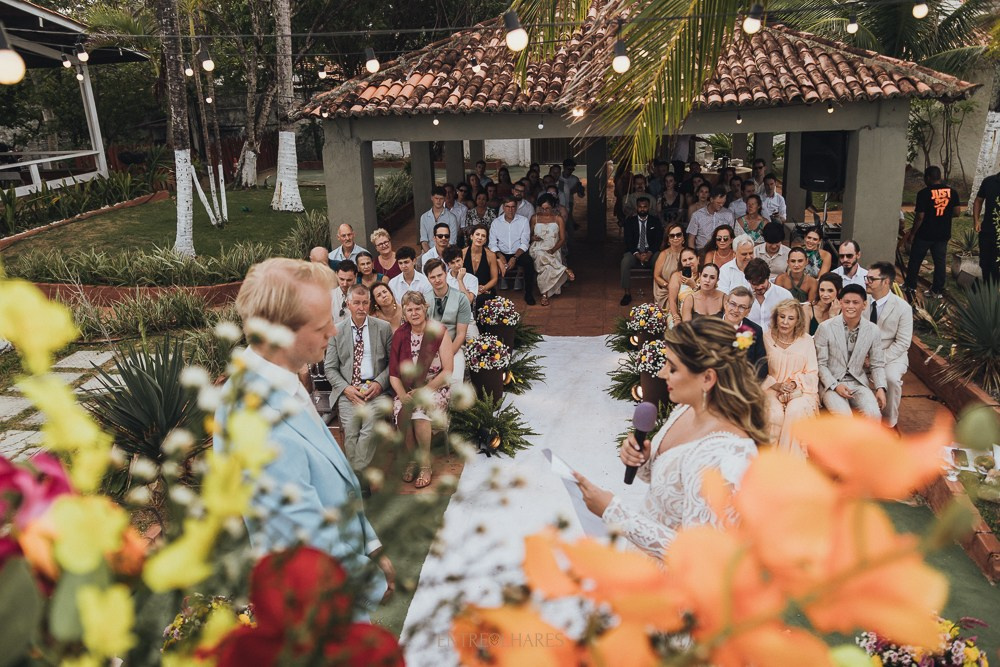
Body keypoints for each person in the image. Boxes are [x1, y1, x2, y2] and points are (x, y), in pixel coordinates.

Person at [220, 258, 393, 613]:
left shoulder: (279, 378)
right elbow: (304, 538)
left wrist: (370, 543)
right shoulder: (256, 418)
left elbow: (329, 478)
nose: (333, 330)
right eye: (321, 325)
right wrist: (371, 581)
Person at [572, 317, 768, 559]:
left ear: (707, 378)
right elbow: (671, 480)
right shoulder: (687, 408)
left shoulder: (726, 457)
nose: (663, 373)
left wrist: (614, 513)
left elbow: (699, 555)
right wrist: (644, 460)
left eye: (673, 368)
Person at [324, 284, 393, 475]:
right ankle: (360, 477)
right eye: (356, 303)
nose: (361, 307)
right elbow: (330, 368)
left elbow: (392, 364)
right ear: (348, 304)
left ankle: (355, 476)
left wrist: (379, 384)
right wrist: (346, 389)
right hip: (349, 391)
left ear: (370, 304)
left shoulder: (383, 328)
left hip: (375, 390)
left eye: (364, 303)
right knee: (351, 430)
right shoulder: (336, 331)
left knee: (369, 427)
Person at [389, 291, 454, 489]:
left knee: (419, 413)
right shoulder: (400, 334)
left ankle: (425, 465)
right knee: (404, 409)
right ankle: (411, 460)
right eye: (409, 309)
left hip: (435, 388)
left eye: (418, 308)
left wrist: (425, 390)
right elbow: (393, 375)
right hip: (408, 390)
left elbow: (447, 372)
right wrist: (402, 395)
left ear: (425, 307)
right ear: (404, 313)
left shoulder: (439, 332)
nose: (414, 313)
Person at [814, 284, 887, 419]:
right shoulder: (825, 327)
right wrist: (836, 386)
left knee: (874, 415)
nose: (850, 306)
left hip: (858, 382)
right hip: (831, 384)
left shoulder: (873, 330)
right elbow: (820, 363)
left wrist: (880, 388)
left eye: (855, 302)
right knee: (844, 417)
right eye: (847, 302)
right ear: (840, 302)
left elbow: (877, 363)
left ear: (864, 305)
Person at [762, 299, 820, 456]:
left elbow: (812, 372)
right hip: (770, 388)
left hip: (800, 390)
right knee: (774, 414)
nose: (785, 322)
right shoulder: (765, 338)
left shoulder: (806, 340)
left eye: (791, 318)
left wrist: (795, 383)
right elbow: (759, 371)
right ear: (776, 317)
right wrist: (776, 384)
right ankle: (769, 461)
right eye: (782, 317)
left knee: (795, 412)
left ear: (798, 321)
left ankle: (791, 465)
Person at [864, 261, 913, 430]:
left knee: (891, 379)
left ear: (885, 282)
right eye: (867, 278)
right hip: (863, 354)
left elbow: (903, 343)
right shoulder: (862, 302)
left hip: (891, 355)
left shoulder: (903, 308)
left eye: (871, 279)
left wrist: (878, 360)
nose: (867, 282)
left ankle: (889, 422)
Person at [905, 165, 960, 296]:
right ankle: (937, 290)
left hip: (925, 234)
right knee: (940, 262)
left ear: (928, 178)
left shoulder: (924, 193)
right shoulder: (952, 192)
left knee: (915, 260)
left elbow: (920, 217)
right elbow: (957, 213)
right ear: (939, 177)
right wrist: (944, 215)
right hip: (943, 234)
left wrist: (912, 234)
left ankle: (910, 286)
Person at [424, 258, 474, 381]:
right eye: (432, 277)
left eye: (440, 275)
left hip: (454, 347)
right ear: (428, 279)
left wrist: (445, 356)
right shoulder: (424, 300)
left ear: (446, 273)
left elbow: (461, 335)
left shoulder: (461, 299)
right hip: (429, 349)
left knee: (455, 382)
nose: (437, 280)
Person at [490, 197, 538, 305]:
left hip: (518, 253)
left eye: (513, 207)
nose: (510, 210)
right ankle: (491, 294)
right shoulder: (496, 223)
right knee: (488, 262)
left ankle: (528, 294)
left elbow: (525, 243)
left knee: (529, 263)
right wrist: (500, 255)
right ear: (503, 207)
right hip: (501, 252)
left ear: (516, 208)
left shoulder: (523, 221)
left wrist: (515, 257)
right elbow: (492, 243)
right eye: (507, 207)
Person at [529, 193, 572, 306]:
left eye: (547, 208)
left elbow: (562, 239)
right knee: (539, 254)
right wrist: (532, 237)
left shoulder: (558, 219)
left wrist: (553, 250)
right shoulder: (535, 218)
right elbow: (528, 236)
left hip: (553, 249)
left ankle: (545, 295)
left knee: (546, 266)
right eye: (542, 209)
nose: (544, 211)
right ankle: (563, 269)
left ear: (553, 207)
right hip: (537, 248)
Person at [620, 195, 663, 306]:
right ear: (636, 207)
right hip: (634, 251)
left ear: (649, 207)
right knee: (625, 261)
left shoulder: (655, 221)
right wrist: (637, 254)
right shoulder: (630, 222)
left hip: (650, 251)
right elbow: (628, 241)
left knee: (659, 259)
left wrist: (649, 253)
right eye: (640, 207)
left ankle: (659, 293)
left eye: (645, 207)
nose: (642, 209)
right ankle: (627, 293)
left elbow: (658, 241)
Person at [722, 286, 768, 380]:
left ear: (748, 311)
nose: (735, 310)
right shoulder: (709, 323)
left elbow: (761, 365)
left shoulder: (755, 330)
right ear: (725, 304)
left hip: (742, 383)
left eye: (742, 307)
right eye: (733, 304)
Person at [744, 257, 793, 332]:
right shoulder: (743, 296)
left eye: (762, 282)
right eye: (754, 284)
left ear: (768, 277)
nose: (759, 287)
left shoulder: (784, 295)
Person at [687, 186, 736, 252]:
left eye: (723, 203)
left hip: (722, 251)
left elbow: (732, 237)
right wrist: (693, 255)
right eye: (718, 203)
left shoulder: (729, 214)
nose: (721, 205)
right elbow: (691, 239)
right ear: (711, 199)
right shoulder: (697, 215)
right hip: (702, 251)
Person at [652, 222, 687, 310]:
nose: (675, 238)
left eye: (678, 235)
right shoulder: (663, 254)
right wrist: (669, 286)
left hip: (685, 290)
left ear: (683, 237)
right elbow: (656, 276)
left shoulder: (689, 253)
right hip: (666, 290)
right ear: (668, 239)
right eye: (672, 236)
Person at [462, 224, 499, 306]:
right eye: (477, 234)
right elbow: (457, 275)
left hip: (485, 290)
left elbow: (495, 279)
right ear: (471, 236)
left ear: (485, 240)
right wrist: (470, 290)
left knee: (482, 299)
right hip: (466, 289)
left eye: (483, 236)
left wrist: (483, 288)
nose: (479, 238)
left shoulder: (491, 255)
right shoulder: (462, 253)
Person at [419, 186, 459, 253]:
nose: (438, 201)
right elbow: (424, 241)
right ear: (432, 198)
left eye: (441, 198)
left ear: (445, 199)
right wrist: (431, 256)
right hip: (428, 254)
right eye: (436, 198)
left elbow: (452, 241)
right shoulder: (424, 217)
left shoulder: (452, 218)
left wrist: (441, 256)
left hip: (446, 254)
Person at [665, 247, 699, 325]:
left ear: (698, 259)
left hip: (700, 315)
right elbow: (672, 301)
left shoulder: (704, 275)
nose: (688, 262)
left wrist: (693, 286)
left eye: (691, 258)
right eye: (684, 260)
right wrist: (676, 318)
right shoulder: (676, 276)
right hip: (679, 315)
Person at [558, 158, 585, 226]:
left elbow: (581, 195)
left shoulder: (575, 179)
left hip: (569, 201)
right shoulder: (558, 177)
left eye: (572, 169)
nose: (571, 171)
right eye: (569, 169)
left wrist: (580, 190)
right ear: (564, 167)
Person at [331, 260, 358, 324]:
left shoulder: (363, 295)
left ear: (355, 276)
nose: (345, 284)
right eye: (341, 279)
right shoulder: (328, 296)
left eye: (349, 280)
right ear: (336, 274)